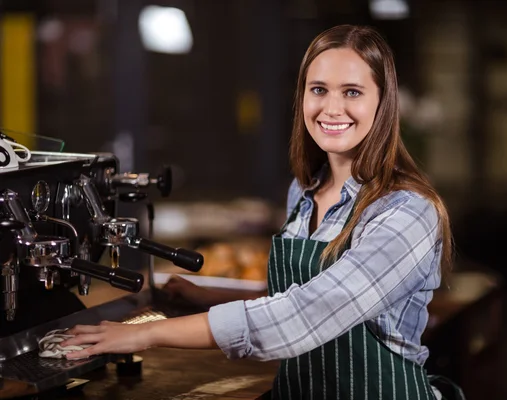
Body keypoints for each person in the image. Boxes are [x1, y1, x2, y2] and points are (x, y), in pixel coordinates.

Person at [63, 24, 463, 400]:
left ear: (383, 102)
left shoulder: (406, 211)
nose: (331, 108)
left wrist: (142, 335)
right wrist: (211, 296)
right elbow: (301, 293)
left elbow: (306, 314)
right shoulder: (304, 191)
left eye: (353, 92)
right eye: (318, 89)